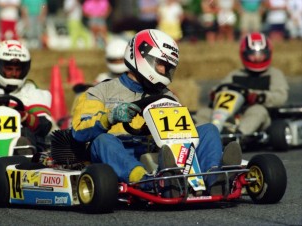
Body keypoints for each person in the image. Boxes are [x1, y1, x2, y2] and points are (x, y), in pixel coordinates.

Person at [71, 29, 241, 195]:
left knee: (208, 130)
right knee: (102, 140)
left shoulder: (166, 95)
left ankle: (213, 177)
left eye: (168, 67)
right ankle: (147, 181)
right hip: (120, 150)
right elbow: (78, 131)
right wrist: (110, 117)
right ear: (142, 56)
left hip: (158, 149)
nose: (164, 71)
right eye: (161, 64)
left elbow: (184, 131)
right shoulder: (102, 91)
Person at [195, 32, 289, 135]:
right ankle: (196, 135)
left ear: (268, 53)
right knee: (204, 113)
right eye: (252, 54)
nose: (257, 58)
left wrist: (259, 97)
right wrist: (215, 93)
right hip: (233, 115)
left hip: (262, 116)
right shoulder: (236, 74)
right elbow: (222, 88)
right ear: (244, 54)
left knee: (257, 110)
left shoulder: (274, 74)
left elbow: (281, 96)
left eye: (260, 54)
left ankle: (239, 135)